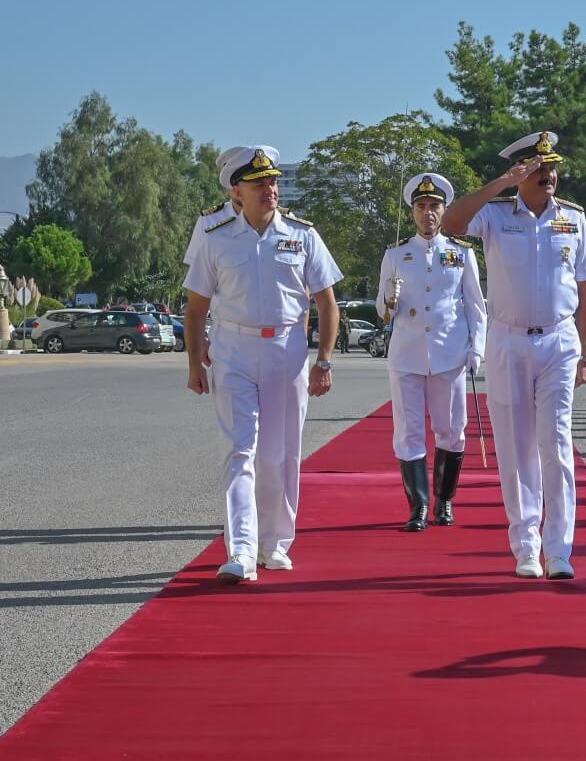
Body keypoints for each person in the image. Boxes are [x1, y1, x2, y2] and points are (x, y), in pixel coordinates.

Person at [440, 131, 586, 581]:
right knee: (515, 448)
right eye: (539, 168)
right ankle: (526, 545)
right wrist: (500, 184)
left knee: (555, 443)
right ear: (521, 172)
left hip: (559, 341)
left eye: (552, 168)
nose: (550, 175)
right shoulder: (493, 215)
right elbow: (451, 222)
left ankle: (559, 549)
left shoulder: (573, 219)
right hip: (508, 340)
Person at [183, 145, 342, 583]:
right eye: (260, 183)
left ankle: (275, 542)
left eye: (272, 181)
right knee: (239, 451)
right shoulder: (216, 238)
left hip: (287, 352)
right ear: (238, 191)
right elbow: (195, 309)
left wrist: (324, 361)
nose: (271, 189)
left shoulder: (303, 236)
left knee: (280, 454)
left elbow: (328, 304)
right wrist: (195, 362)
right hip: (233, 350)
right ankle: (242, 551)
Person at [376, 172, 487, 531]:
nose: (428, 213)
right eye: (421, 207)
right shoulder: (395, 255)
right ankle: (418, 507)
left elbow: (475, 307)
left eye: (434, 206)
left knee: (451, 429)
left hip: (449, 353)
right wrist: (388, 301)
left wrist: (476, 349)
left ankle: (445, 501)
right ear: (412, 213)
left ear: (444, 210)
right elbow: (382, 308)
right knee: (407, 431)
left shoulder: (461, 254)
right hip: (407, 353)